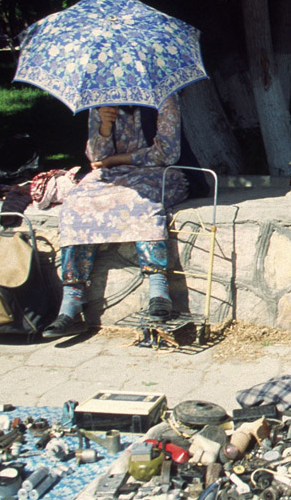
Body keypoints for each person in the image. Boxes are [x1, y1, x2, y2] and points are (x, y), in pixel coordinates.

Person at [43, 96, 189, 338]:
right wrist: (104, 126)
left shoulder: (164, 98)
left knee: (141, 201)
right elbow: (96, 159)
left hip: (158, 172)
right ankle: (71, 303)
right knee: (75, 205)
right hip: (112, 176)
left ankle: (159, 291)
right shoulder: (101, 102)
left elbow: (167, 152)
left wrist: (115, 160)